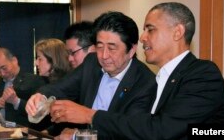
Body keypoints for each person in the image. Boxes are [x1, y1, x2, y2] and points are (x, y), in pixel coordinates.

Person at [48, 2, 224, 140]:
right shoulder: (162, 79)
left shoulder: (203, 74)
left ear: (177, 32)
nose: (143, 38)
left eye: (150, 30)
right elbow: (136, 127)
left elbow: (161, 129)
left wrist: (90, 115)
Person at [26, 11, 157, 139]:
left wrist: (79, 135)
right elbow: (61, 87)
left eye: (112, 48)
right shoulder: (91, 62)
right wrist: (40, 96)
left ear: (132, 50)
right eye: (100, 47)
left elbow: (128, 130)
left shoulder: (145, 83)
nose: (104, 56)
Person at [0, 48, 46, 127]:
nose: (2, 74)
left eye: (4, 68)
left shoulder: (33, 80)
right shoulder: (3, 80)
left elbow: (39, 113)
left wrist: (16, 102)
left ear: (14, 60)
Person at [30, 38, 72, 131]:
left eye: (40, 59)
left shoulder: (67, 87)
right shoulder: (46, 83)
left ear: (53, 60)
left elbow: (66, 124)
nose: (36, 63)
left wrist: (47, 132)